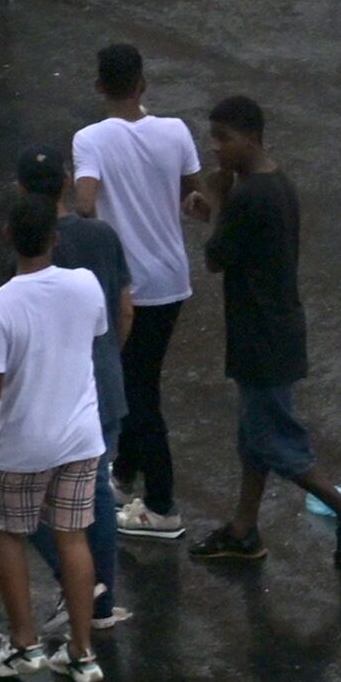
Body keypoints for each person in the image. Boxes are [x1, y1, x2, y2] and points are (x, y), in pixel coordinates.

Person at [201, 95, 341, 561]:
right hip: (276, 330)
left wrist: (218, 202)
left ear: (251, 137)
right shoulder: (275, 185)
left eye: (223, 138)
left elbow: (215, 258)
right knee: (253, 438)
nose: (215, 148)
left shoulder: (247, 195)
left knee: (272, 441)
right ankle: (243, 529)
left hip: (260, 338)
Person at [0, 196, 112, 682]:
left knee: (6, 532)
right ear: (55, 236)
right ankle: (82, 652)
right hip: (79, 437)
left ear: (8, 234)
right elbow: (89, 335)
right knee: (73, 536)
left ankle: (24, 644)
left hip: (22, 443)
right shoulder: (85, 284)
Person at [71, 41, 203, 540]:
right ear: (143, 84)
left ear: (100, 86)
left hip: (126, 284)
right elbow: (194, 191)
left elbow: (85, 203)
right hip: (172, 280)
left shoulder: (91, 139)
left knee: (137, 392)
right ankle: (124, 476)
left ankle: (163, 504)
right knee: (137, 377)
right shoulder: (175, 132)